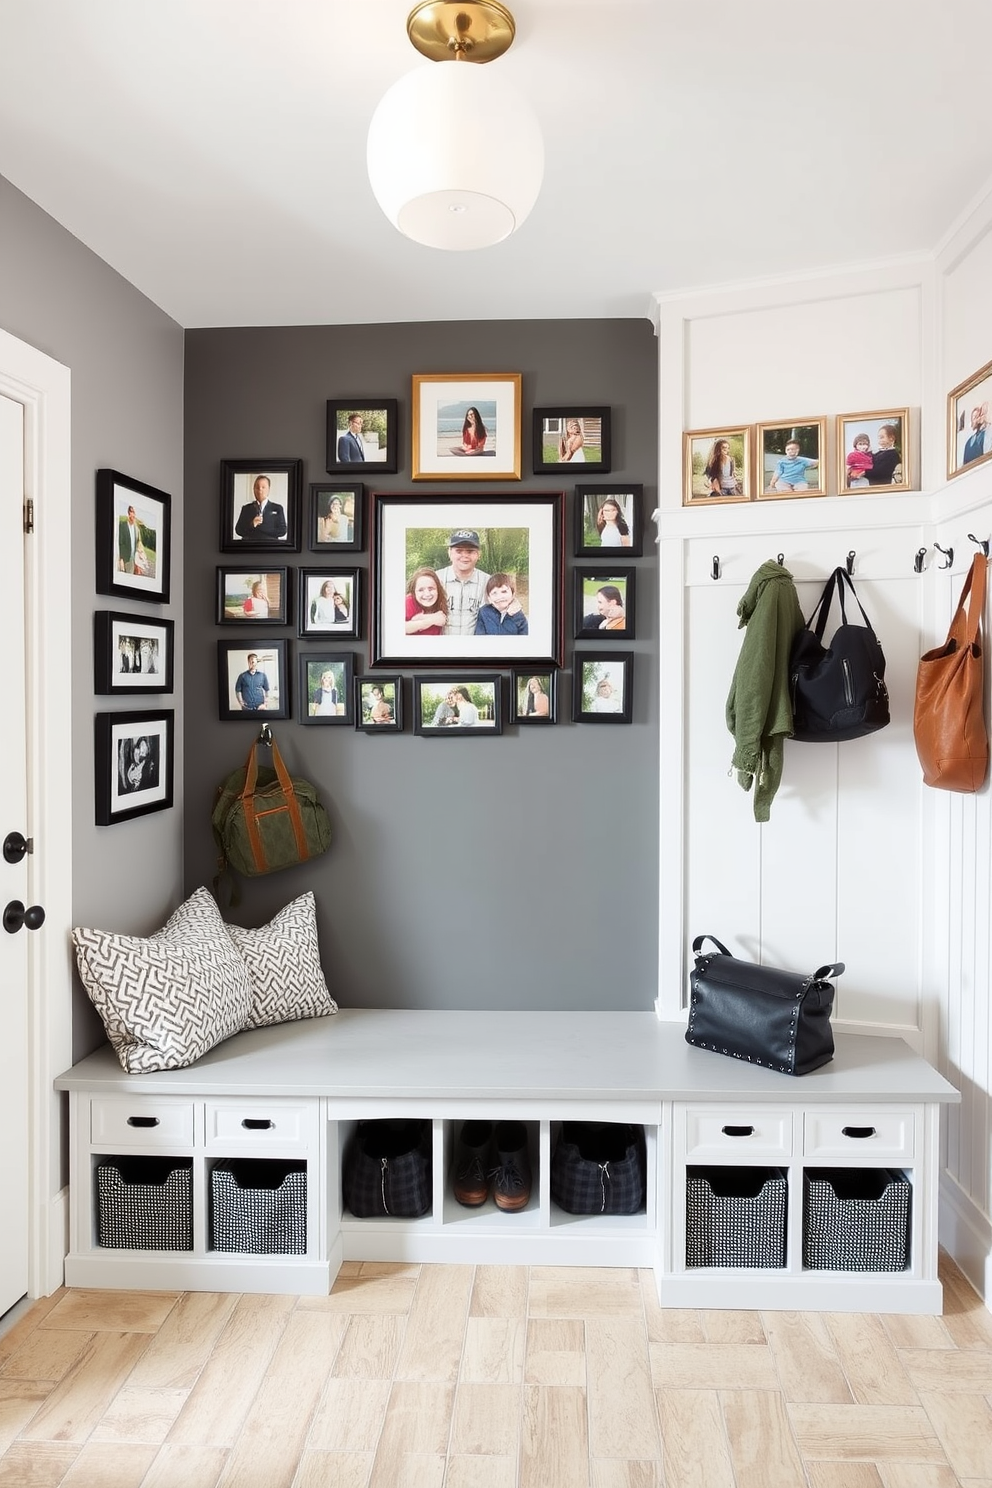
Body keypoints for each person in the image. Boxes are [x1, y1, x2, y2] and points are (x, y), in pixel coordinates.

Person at [436, 528, 516, 637]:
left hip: (476, 649)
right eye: (458, 551)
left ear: (478, 554)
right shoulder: (435, 579)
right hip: (442, 649)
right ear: (449, 553)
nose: (464, 556)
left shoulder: (489, 582)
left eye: (470, 551)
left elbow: (510, 604)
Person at [235, 474, 287, 541]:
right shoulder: (246, 509)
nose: (260, 490)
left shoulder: (277, 508)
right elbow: (239, 530)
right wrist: (252, 525)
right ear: (253, 490)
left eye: (263, 487)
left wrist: (264, 529)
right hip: (249, 547)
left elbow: (282, 531)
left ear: (268, 489)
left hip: (270, 547)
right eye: (257, 487)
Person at [405, 567, 449, 635]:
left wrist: (419, 618)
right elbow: (398, 628)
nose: (427, 594)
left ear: (438, 590)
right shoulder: (408, 602)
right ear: (414, 592)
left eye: (431, 589)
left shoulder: (441, 602)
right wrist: (432, 620)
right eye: (421, 590)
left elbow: (442, 619)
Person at [118, 505, 140, 572]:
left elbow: (137, 544)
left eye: (135, 513)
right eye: (132, 512)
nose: (134, 515)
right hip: (124, 560)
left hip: (132, 561)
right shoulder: (122, 525)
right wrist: (121, 559)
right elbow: (120, 543)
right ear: (129, 513)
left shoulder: (137, 529)